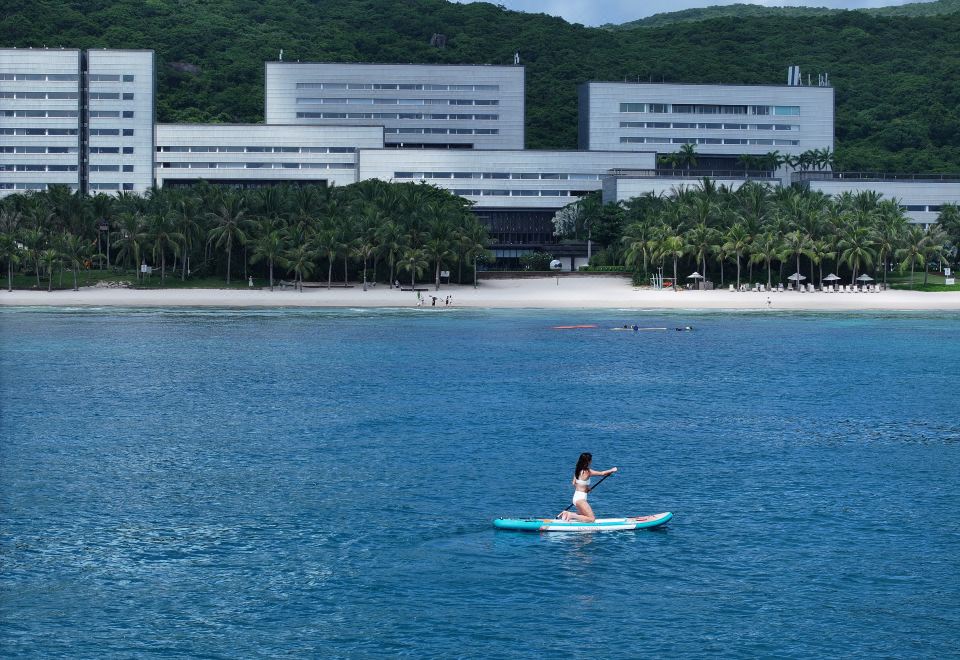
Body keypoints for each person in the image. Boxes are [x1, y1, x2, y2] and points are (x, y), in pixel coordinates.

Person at [558, 452, 617, 522]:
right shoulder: (588, 471)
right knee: (592, 519)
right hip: (581, 499)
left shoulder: (577, 470)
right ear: (588, 461)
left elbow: (574, 483)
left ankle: (566, 513)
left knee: (583, 516)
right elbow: (602, 473)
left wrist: (586, 488)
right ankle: (570, 515)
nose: (591, 461)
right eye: (591, 460)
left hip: (576, 497)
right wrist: (612, 470)